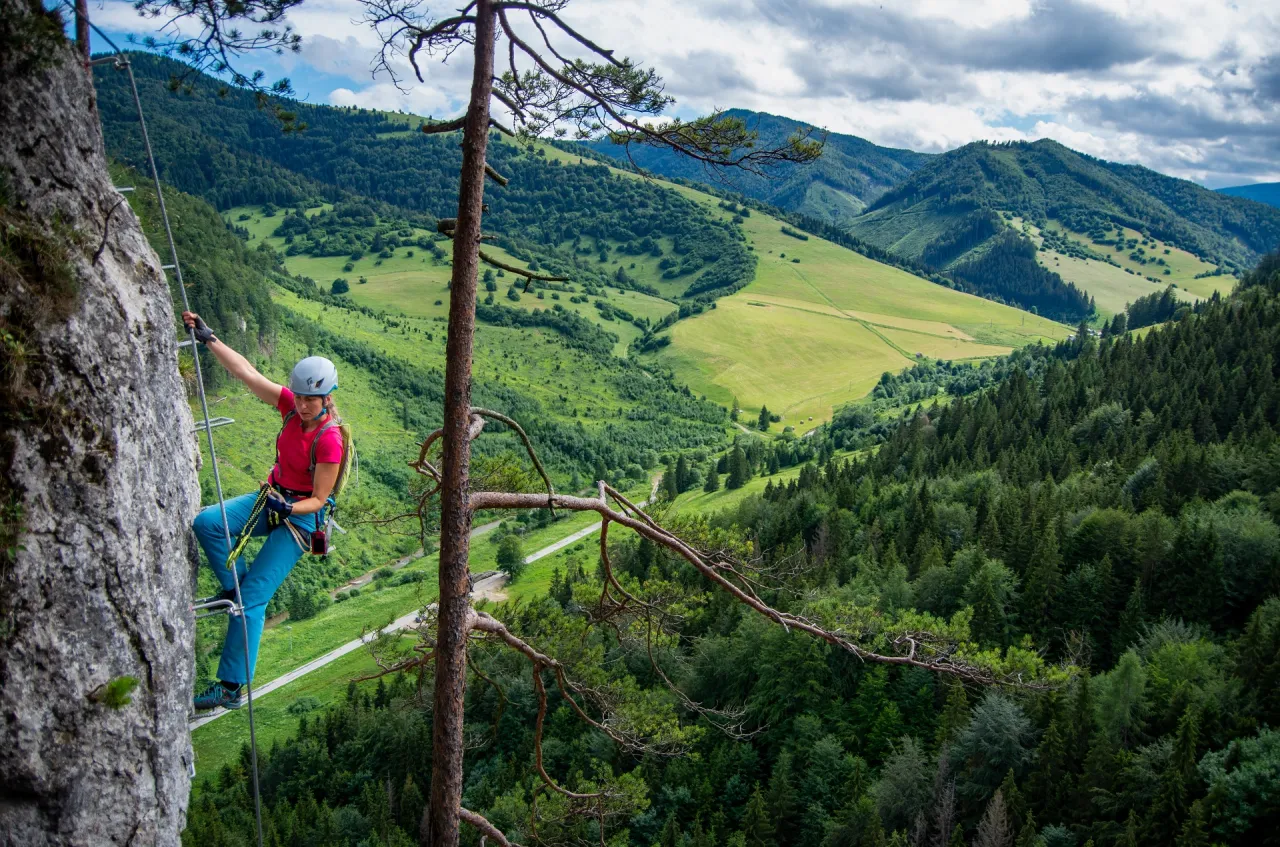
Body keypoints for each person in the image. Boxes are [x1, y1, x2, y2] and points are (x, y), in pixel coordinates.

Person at [183, 311, 344, 711]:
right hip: (275, 498)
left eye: (311, 398)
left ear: (327, 398)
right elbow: (249, 374)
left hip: (301, 518)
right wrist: (210, 338)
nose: (304, 404)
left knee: (253, 600)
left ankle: (231, 687)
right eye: (301, 396)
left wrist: (287, 506)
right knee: (208, 523)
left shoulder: (330, 441)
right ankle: (234, 587)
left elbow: (320, 499)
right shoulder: (289, 406)